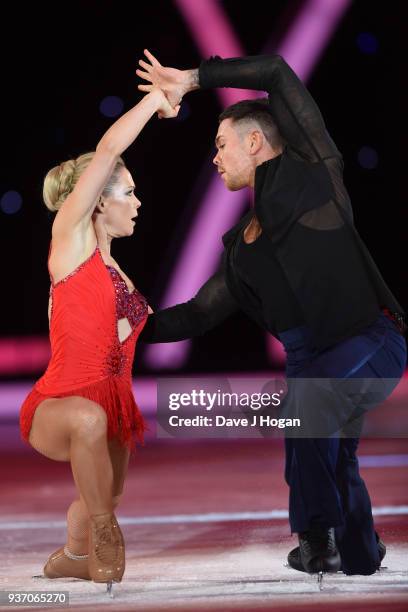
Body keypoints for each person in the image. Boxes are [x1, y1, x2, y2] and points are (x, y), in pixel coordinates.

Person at [136, 50, 407, 576]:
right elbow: (193, 316)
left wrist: (192, 80)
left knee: (305, 409)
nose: (214, 159)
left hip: (370, 341)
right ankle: (357, 550)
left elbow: (277, 72)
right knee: (328, 443)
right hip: (311, 366)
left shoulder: (315, 176)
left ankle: (313, 538)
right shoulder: (242, 248)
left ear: (254, 142)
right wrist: (124, 326)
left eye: (220, 146)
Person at [19, 85, 179, 589]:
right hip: (58, 406)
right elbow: (109, 150)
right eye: (127, 192)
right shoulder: (72, 241)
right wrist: (156, 102)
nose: (138, 201)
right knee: (88, 424)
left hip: (115, 406)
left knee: (101, 497)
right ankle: (107, 536)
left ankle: (72, 553)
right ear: (97, 201)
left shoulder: (120, 273)